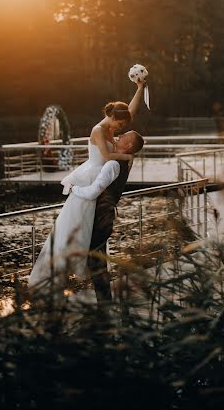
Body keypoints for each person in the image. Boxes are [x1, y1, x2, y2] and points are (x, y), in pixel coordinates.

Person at [28, 81, 146, 293]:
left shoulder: (113, 126)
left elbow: (131, 110)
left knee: (89, 234)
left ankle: (89, 279)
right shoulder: (99, 130)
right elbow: (108, 156)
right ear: (113, 118)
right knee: (74, 232)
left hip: (102, 179)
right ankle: (58, 278)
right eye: (120, 125)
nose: (121, 129)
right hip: (94, 176)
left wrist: (140, 88)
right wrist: (128, 156)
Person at [70, 131, 145, 306]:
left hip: (100, 218)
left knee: (96, 262)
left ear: (127, 145)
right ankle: (105, 302)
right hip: (105, 216)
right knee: (99, 261)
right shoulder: (124, 161)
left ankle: (104, 305)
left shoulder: (113, 164)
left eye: (126, 135)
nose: (121, 134)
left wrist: (74, 189)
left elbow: (93, 192)